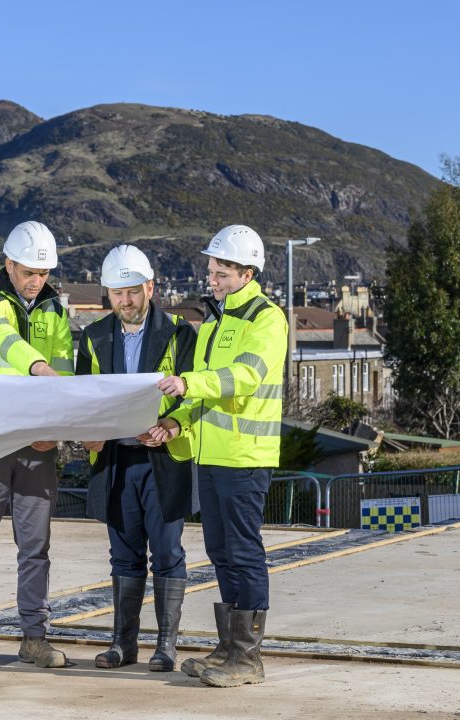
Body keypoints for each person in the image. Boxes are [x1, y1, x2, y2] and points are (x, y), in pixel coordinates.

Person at [146, 225, 287, 688]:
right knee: (220, 551)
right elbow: (203, 388)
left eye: (221, 271)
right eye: (211, 270)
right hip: (210, 457)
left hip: (245, 457)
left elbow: (244, 376)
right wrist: (175, 422)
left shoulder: (268, 319)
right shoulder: (213, 322)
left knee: (244, 552)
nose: (212, 278)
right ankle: (229, 647)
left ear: (247, 273)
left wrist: (191, 384)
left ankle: (248, 658)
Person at [0, 220, 74, 674]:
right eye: (28, 271)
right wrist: (37, 365)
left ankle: (34, 639)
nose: (35, 281)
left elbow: (65, 377)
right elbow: (1, 340)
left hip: (36, 447)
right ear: (8, 263)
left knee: (35, 548)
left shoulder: (55, 311)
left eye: (42, 273)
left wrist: (56, 428)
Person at [75, 245, 197, 672]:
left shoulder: (182, 334)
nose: (125, 301)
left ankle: (165, 647)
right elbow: (84, 399)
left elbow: (193, 396)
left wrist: (173, 425)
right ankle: (122, 645)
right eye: (116, 294)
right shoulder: (93, 337)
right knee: (123, 557)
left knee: (167, 553)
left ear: (150, 287)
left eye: (132, 292)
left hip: (163, 461)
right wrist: (86, 436)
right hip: (115, 463)